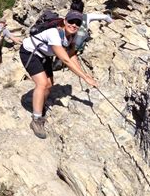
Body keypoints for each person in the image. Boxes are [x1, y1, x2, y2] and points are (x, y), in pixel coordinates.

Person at [19, 10, 98, 139]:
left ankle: (39, 105)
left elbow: (71, 56)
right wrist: (85, 78)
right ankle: (36, 120)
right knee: (42, 83)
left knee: (49, 84)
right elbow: (65, 60)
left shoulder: (71, 36)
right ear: (65, 21)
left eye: (77, 23)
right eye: (71, 21)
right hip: (30, 52)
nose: (74, 25)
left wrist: (86, 75)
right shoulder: (54, 34)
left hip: (44, 55)